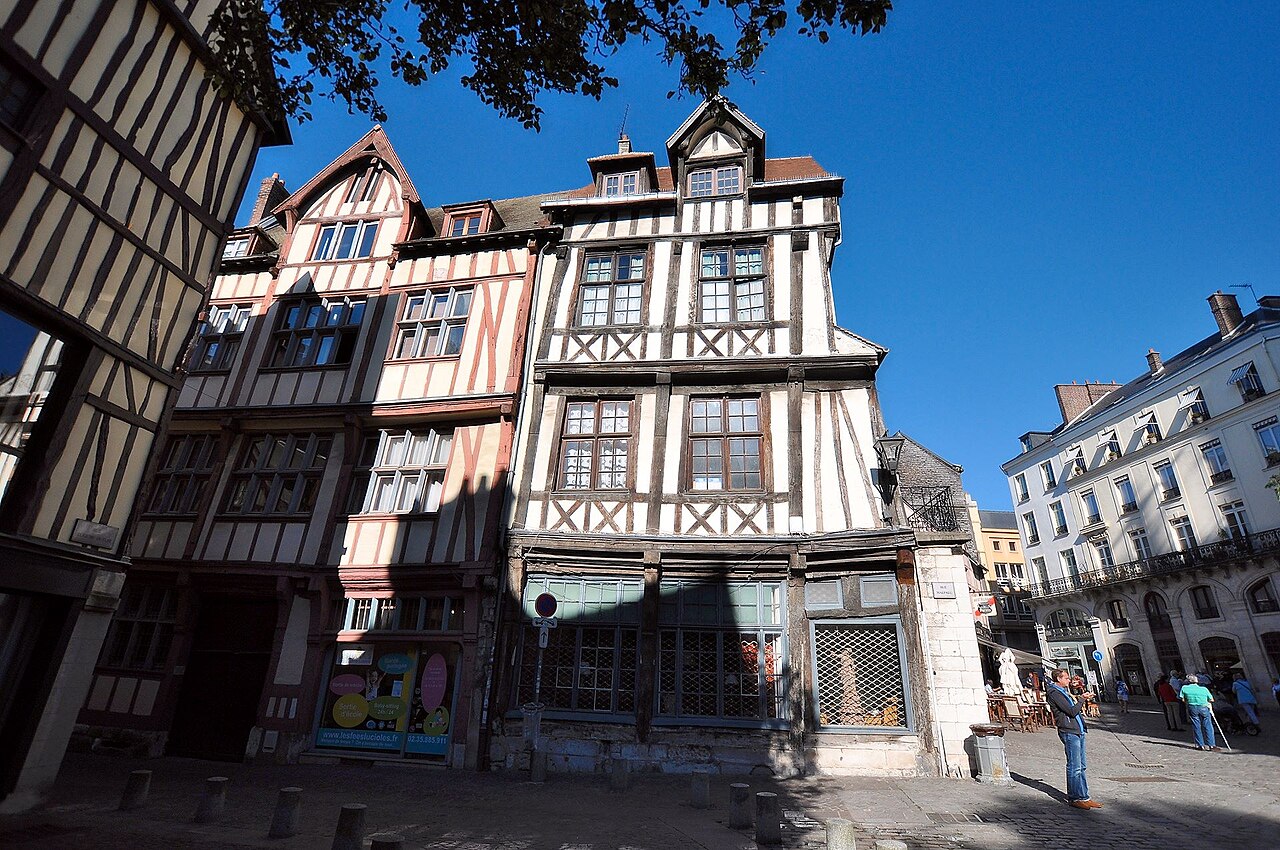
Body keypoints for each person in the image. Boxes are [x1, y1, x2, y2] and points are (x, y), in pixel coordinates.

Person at [1046, 667, 1101, 809]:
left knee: (1082, 766)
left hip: (1078, 730)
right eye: (1066, 678)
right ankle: (1075, 798)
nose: (1069, 680)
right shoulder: (1054, 693)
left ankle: (1084, 796)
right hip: (1069, 731)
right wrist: (1082, 700)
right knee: (1074, 766)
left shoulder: (1064, 692)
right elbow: (1071, 711)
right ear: (1058, 679)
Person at [1180, 674, 1220, 751]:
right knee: (1208, 725)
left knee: (1196, 725)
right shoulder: (1204, 689)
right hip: (1203, 707)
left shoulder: (1184, 688)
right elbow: (1211, 700)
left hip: (1192, 707)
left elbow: (1182, 699)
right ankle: (1211, 745)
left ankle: (1200, 745)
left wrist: (1189, 700)